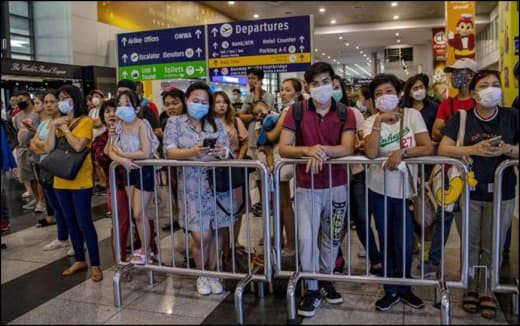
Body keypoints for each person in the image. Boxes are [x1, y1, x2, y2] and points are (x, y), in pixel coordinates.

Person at [439, 70, 518, 319]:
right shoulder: (461, 117)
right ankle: (469, 285)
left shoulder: (511, 116)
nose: (491, 89)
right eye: (484, 85)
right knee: (471, 243)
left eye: (495, 84)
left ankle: (487, 290)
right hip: (469, 190)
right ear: (474, 93)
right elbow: (444, 147)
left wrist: (509, 149)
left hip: (502, 192)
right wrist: (472, 148)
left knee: (492, 243)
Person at [279, 62, 356, 318]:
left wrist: (320, 149)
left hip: (337, 186)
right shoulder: (296, 112)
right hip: (306, 186)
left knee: (332, 237)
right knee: (306, 238)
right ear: (308, 87)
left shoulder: (346, 112)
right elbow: (284, 148)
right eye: (315, 84)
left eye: (325, 82)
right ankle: (311, 287)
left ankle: (325, 279)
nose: (321, 88)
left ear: (333, 82)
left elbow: (347, 148)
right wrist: (306, 150)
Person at [363, 73, 433, 312]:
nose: (384, 97)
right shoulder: (370, 121)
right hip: (378, 189)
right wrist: (379, 121)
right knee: (386, 239)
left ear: (399, 94)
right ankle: (390, 288)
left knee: (404, 240)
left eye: (388, 91)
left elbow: (428, 146)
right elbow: (371, 153)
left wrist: (402, 153)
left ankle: (405, 287)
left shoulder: (412, 115)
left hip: (406, 190)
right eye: (378, 94)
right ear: (373, 100)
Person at [163, 81, 235, 296]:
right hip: (191, 185)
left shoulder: (216, 124)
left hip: (217, 184)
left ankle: (214, 272)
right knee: (200, 235)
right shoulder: (174, 122)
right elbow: (169, 151)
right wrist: (193, 152)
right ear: (187, 101)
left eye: (204, 102)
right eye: (196, 101)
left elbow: (227, 150)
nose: (200, 105)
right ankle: (201, 273)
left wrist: (222, 151)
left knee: (216, 231)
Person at [44, 85, 102, 282]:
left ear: (75, 99)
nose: (61, 101)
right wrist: (54, 126)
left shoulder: (85, 121)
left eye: (65, 97)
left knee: (84, 222)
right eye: (59, 98)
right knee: (70, 222)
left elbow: (78, 145)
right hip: (60, 179)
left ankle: (95, 264)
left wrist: (65, 128)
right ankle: (79, 259)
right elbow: (48, 148)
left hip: (80, 181)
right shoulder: (58, 121)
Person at [108, 90, 159, 265]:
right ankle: (145, 249)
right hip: (129, 171)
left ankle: (146, 250)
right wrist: (122, 160)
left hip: (144, 170)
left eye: (127, 104)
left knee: (139, 212)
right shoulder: (118, 126)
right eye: (120, 104)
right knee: (136, 214)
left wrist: (125, 155)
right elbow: (110, 150)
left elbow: (145, 151)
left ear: (136, 108)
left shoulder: (142, 125)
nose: (123, 108)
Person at [30, 90, 74, 251]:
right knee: (55, 206)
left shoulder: (64, 122)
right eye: (46, 102)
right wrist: (44, 147)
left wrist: (44, 146)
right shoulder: (43, 123)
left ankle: (75, 240)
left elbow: (56, 148)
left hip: (59, 169)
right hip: (45, 168)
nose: (48, 105)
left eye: (52, 101)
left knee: (66, 207)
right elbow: (33, 145)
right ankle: (62, 237)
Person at [264, 78, 304, 256]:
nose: (284, 93)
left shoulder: (289, 110)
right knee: (282, 203)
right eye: (282, 89)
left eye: (288, 90)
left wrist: (261, 129)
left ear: (297, 92)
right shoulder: (295, 109)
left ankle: (291, 245)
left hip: (283, 159)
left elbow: (273, 135)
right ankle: (283, 241)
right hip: (285, 159)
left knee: (285, 204)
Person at [92, 99, 131, 268]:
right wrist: (112, 135)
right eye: (107, 112)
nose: (112, 114)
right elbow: (103, 160)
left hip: (136, 184)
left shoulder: (131, 133)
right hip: (116, 186)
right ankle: (120, 261)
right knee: (120, 224)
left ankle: (149, 254)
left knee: (144, 220)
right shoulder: (99, 140)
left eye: (115, 110)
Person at [213, 90, 248, 252]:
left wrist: (238, 160)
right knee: (221, 207)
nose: (221, 105)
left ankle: (235, 240)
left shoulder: (235, 121)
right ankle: (224, 243)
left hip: (234, 168)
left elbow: (244, 141)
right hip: (216, 169)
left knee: (238, 206)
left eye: (224, 102)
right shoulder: (208, 124)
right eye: (218, 102)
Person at [238, 68, 275, 217]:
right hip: (251, 141)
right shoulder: (248, 97)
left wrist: (258, 96)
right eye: (249, 78)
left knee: (266, 174)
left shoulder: (268, 96)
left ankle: (270, 202)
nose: (251, 81)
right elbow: (242, 116)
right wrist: (254, 115)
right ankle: (262, 202)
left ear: (260, 80)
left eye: (254, 78)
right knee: (257, 176)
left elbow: (263, 114)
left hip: (263, 141)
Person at [12, 91, 46, 213]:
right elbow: (17, 131)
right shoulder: (17, 117)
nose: (19, 102)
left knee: (38, 176)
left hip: (36, 149)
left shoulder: (37, 115)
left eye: (21, 98)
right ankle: (37, 199)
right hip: (22, 149)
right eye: (17, 100)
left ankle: (42, 201)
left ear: (28, 98)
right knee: (29, 177)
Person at [158, 87, 186, 232]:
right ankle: (179, 219)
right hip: (171, 166)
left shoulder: (191, 121)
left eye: (175, 103)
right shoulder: (165, 119)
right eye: (167, 104)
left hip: (189, 167)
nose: (171, 107)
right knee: (175, 194)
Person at [432, 58, 478, 144]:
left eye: (457, 72)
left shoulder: (481, 102)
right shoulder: (447, 104)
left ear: (471, 75)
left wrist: (450, 131)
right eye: (453, 73)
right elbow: (435, 133)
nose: (453, 76)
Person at [88, 89, 107, 193]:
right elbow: (90, 123)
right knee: (95, 163)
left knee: (101, 163)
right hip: (92, 140)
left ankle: (105, 182)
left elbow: (98, 123)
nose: (95, 99)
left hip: (101, 141)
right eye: (93, 96)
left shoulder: (103, 110)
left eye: (97, 96)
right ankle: (101, 182)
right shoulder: (92, 111)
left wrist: (91, 122)